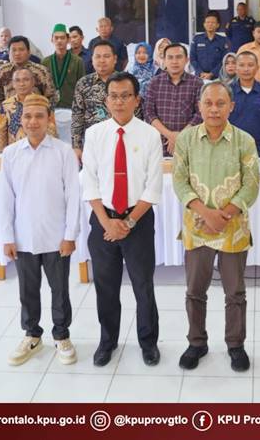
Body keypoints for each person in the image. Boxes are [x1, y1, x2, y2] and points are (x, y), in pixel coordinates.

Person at [173, 81, 259, 372]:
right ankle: (196, 342)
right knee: (195, 290)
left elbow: (251, 185)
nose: (213, 108)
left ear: (231, 107)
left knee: (235, 292)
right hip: (196, 228)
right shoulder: (185, 139)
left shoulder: (244, 141)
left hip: (232, 228)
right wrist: (205, 213)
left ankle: (235, 344)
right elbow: (179, 181)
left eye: (220, 103)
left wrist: (223, 213)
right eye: (208, 103)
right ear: (199, 106)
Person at [82, 72, 163, 367]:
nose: (119, 101)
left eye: (125, 95)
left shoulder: (150, 135)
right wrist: (107, 223)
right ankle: (107, 341)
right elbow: (89, 183)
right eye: (114, 96)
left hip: (138, 222)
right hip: (103, 220)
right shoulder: (94, 134)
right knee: (105, 285)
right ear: (106, 100)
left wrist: (127, 224)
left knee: (143, 285)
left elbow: (153, 187)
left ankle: (148, 342)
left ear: (136, 100)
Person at [0, 94, 81, 367]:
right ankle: (32, 334)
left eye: (38, 116)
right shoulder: (11, 154)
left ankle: (62, 335)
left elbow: (73, 196)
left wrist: (70, 235)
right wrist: (7, 237)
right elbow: (5, 199)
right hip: (23, 236)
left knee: (60, 290)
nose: (33, 121)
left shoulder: (63, 152)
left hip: (56, 236)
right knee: (28, 289)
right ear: (20, 120)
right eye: (27, 116)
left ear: (49, 120)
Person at [144, 43, 203, 156]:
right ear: (164, 60)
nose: (174, 61)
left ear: (187, 60)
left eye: (179, 57)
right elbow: (148, 112)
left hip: (189, 143)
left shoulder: (197, 83)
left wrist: (180, 136)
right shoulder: (154, 83)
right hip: (160, 143)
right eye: (170, 57)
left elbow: (200, 113)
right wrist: (170, 135)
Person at [72, 40, 120, 159]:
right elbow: (77, 116)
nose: (102, 60)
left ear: (115, 59)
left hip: (120, 142)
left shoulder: (124, 82)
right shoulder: (83, 83)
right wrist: (76, 146)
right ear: (92, 59)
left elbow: (136, 114)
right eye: (97, 56)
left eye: (106, 56)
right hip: (92, 145)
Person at [228, 51, 260, 157]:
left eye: (250, 65)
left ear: (257, 67)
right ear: (236, 68)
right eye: (242, 65)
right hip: (231, 149)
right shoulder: (227, 91)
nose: (246, 69)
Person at [0, 68, 59, 152]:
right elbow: (1, 132)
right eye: (17, 80)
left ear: (33, 82)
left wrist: (53, 151)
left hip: (41, 150)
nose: (22, 84)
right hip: (15, 152)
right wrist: (1, 154)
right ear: (13, 84)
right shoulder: (5, 106)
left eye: (26, 80)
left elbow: (52, 128)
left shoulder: (43, 103)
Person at [0, 36, 57, 108]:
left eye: (21, 49)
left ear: (29, 52)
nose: (17, 53)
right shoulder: (3, 71)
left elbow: (51, 98)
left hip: (35, 114)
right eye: (14, 50)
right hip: (9, 114)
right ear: (9, 53)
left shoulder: (41, 71)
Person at [42, 24, 86, 110]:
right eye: (56, 38)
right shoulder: (45, 62)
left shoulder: (77, 61)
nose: (59, 41)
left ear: (68, 40)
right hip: (50, 109)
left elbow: (82, 87)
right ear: (52, 40)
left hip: (71, 108)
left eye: (62, 38)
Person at [190, 10, 231, 80]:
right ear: (204, 24)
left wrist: (212, 73)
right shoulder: (197, 39)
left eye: (213, 22)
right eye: (208, 22)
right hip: (199, 77)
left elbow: (224, 60)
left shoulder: (223, 40)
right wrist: (200, 73)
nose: (210, 24)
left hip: (217, 77)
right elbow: (193, 58)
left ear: (217, 25)